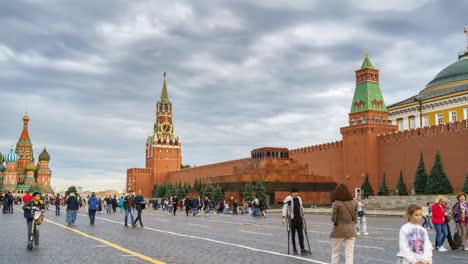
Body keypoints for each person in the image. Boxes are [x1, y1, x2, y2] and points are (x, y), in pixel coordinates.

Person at [330, 183, 356, 264]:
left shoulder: (337, 203)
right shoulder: (354, 202)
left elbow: (333, 219)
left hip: (339, 230)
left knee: (335, 252)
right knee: (349, 254)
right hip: (351, 230)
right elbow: (355, 218)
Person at [281, 187, 311, 256]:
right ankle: (294, 249)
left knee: (301, 234)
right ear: (291, 193)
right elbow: (284, 207)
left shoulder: (299, 198)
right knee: (293, 235)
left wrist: (303, 214)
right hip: (292, 219)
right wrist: (283, 217)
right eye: (294, 192)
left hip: (299, 219)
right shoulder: (288, 198)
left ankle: (302, 249)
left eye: (297, 192)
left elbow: (301, 207)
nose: (296, 194)